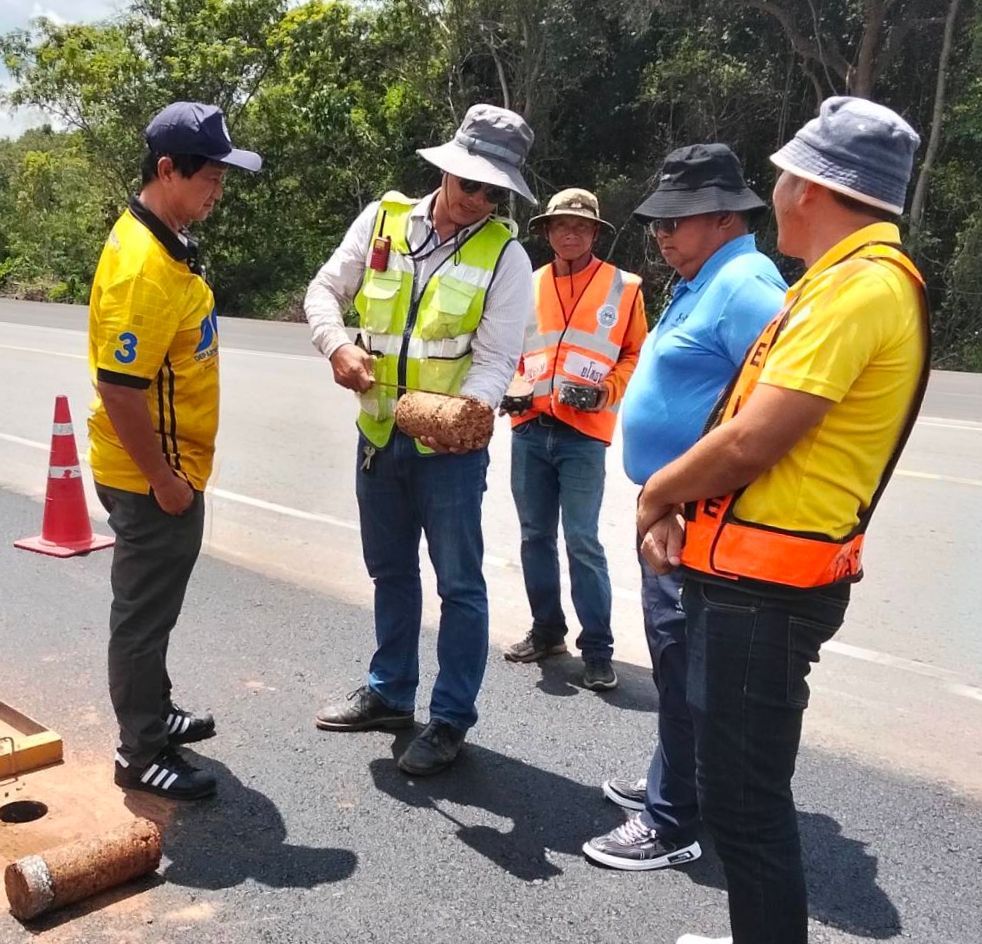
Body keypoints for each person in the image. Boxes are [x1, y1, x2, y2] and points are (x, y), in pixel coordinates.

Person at [637, 99, 927, 944]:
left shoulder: (861, 288)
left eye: (783, 176)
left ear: (812, 187)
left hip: (764, 593)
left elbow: (755, 439)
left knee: (744, 805)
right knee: (739, 796)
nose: (777, 192)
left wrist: (657, 494)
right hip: (747, 579)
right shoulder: (839, 282)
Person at [307, 104, 536, 776]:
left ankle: (450, 717)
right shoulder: (382, 221)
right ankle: (389, 693)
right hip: (378, 432)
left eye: (494, 193)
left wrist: (469, 412)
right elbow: (324, 291)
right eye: (471, 184)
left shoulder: (507, 257)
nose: (479, 200)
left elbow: (497, 358)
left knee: (460, 584)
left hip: (450, 453)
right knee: (390, 571)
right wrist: (336, 346)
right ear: (447, 171)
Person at [582, 144, 787, 868]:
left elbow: (768, 418)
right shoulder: (703, 279)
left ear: (726, 216)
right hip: (670, 508)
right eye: (658, 222)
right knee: (676, 661)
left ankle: (673, 823)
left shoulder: (747, 287)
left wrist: (680, 497)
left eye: (678, 220)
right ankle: (677, 779)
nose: (663, 234)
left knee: (687, 665)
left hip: (696, 516)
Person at [89, 101, 262, 800]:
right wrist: (164, 481)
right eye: (209, 177)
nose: (218, 191)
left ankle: (155, 714)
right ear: (168, 170)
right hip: (150, 477)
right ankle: (140, 752)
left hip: (167, 469)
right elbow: (119, 387)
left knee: (154, 610)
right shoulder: (143, 268)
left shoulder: (164, 242)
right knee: (142, 618)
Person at [501, 188, 647, 691]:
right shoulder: (528, 284)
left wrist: (607, 390)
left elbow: (634, 354)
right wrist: (512, 387)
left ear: (595, 234)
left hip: (583, 435)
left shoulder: (623, 287)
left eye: (581, 226)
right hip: (530, 428)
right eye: (562, 224)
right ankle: (547, 632)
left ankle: (598, 649)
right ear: (546, 231)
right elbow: (510, 350)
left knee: (582, 540)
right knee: (534, 536)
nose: (571, 233)